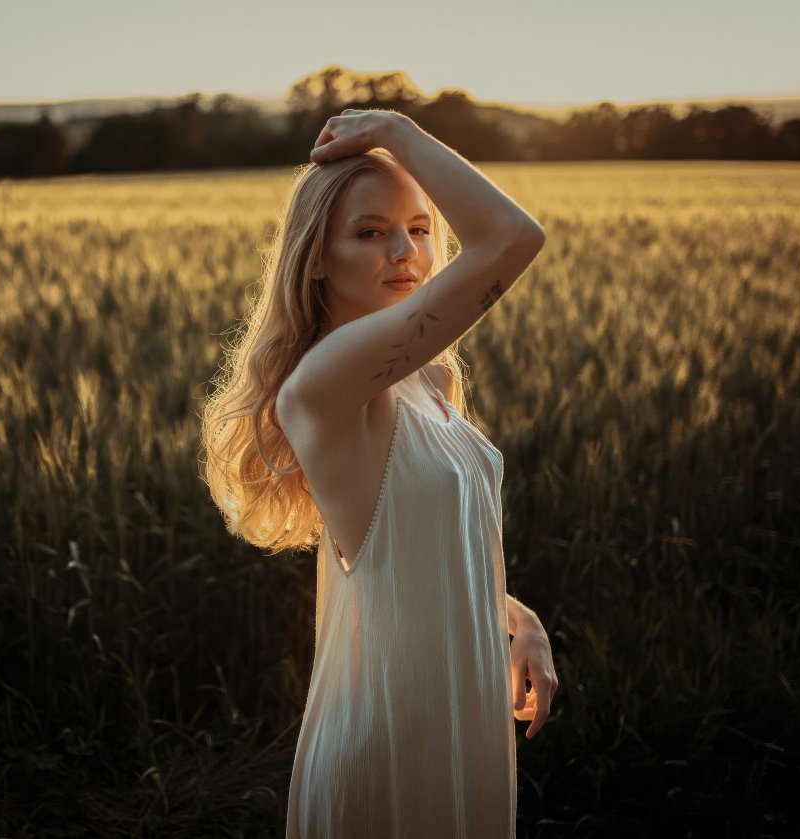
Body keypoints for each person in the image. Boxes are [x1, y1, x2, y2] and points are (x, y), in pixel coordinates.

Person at [199, 108, 558, 838]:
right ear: (318, 257)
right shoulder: (322, 387)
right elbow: (514, 239)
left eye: (420, 228)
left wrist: (517, 617)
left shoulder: (428, 379)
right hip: (383, 747)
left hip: (458, 727)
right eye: (370, 232)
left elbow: (424, 544)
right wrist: (396, 129)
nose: (406, 252)